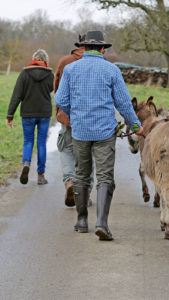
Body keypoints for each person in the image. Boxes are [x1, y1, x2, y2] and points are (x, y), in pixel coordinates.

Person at [55, 30, 143, 241]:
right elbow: (123, 102)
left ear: (83, 48)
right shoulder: (111, 70)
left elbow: (60, 99)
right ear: (103, 49)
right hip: (104, 132)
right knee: (104, 176)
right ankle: (102, 223)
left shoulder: (71, 69)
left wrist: (75, 115)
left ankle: (82, 221)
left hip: (80, 131)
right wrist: (136, 125)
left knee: (81, 174)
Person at [54, 34, 93, 208]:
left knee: (65, 148)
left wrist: (62, 112)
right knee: (87, 154)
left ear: (79, 45)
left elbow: (57, 89)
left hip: (68, 117)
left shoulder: (65, 62)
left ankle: (69, 181)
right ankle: (85, 194)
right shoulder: (100, 63)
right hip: (90, 118)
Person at [7, 49, 54, 185]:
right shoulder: (49, 75)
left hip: (27, 113)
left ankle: (26, 163)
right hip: (44, 114)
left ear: (33, 59)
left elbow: (16, 95)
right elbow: (53, 90)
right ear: (45, 61)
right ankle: (40, 175)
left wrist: (10, 114)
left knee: (28, 141)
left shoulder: (24, 74)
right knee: (41, 143)